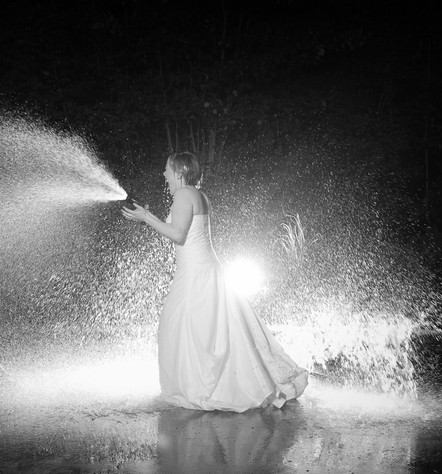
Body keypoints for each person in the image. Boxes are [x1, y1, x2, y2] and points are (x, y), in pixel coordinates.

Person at [121, 152, 308, 411]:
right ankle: (217, 387)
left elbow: (177, 234)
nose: (164, 175)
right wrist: (148, 219)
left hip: (196, 277)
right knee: (207, 333)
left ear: (179, 172)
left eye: (166, 170)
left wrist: (147, 218)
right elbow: (183, 233)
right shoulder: (198, 196)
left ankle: (200, 391)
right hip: (206, 272)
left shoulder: (183, 195)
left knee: (183, 329)